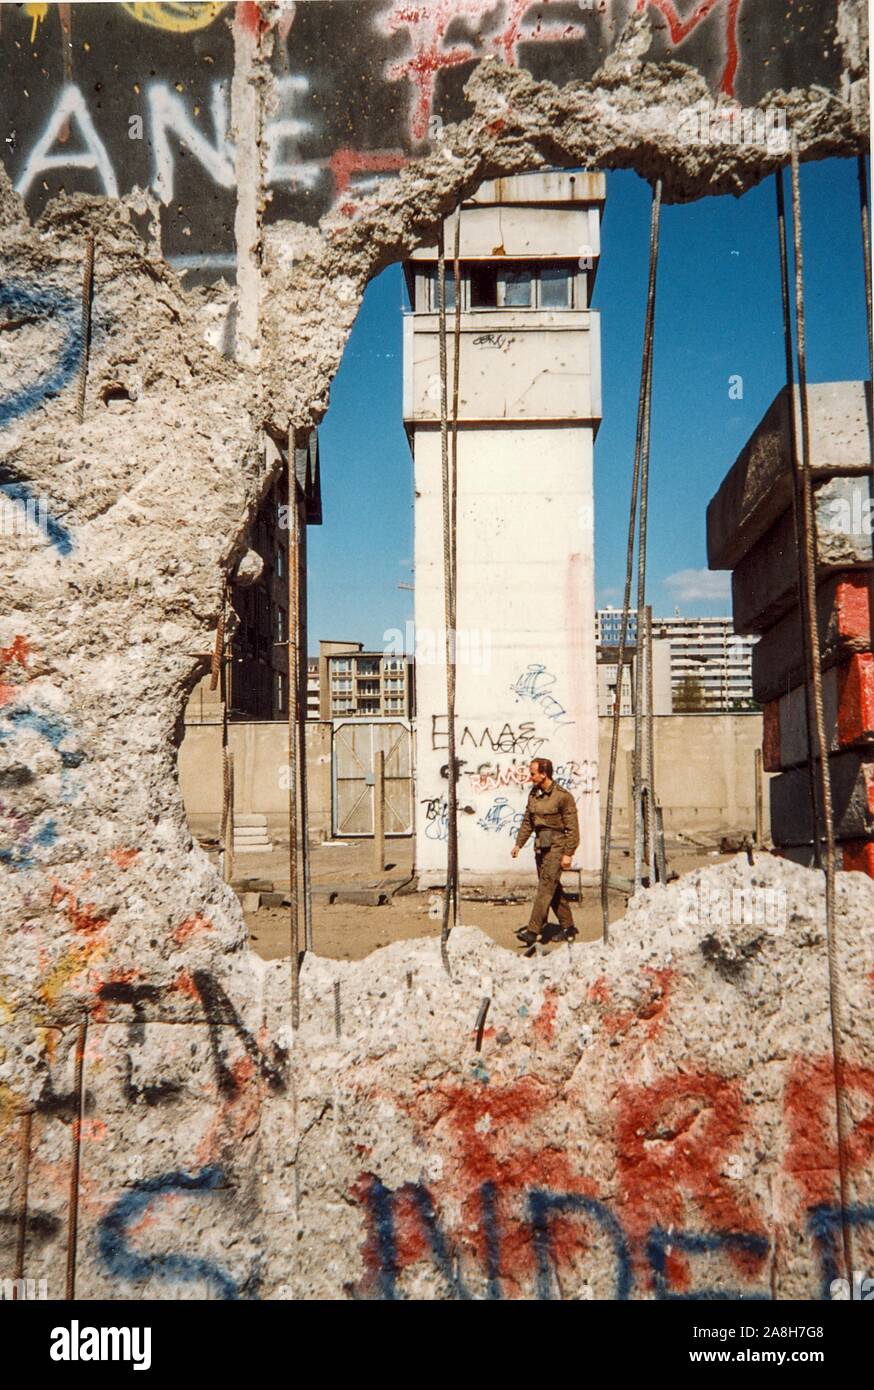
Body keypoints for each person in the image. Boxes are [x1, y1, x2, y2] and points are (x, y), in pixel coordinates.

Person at [510, 757, 579, 946]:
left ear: (543, 774)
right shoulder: (534, 794)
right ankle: (569, 927)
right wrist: (518, 844)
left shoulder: (562, 796)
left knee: (545, 887)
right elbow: (528, 822)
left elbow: (573, 829)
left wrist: (568, 854)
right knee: (552, 888)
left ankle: (533, 931)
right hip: (541, 846)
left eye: (532, 773)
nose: (529, 777)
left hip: (557, 845)